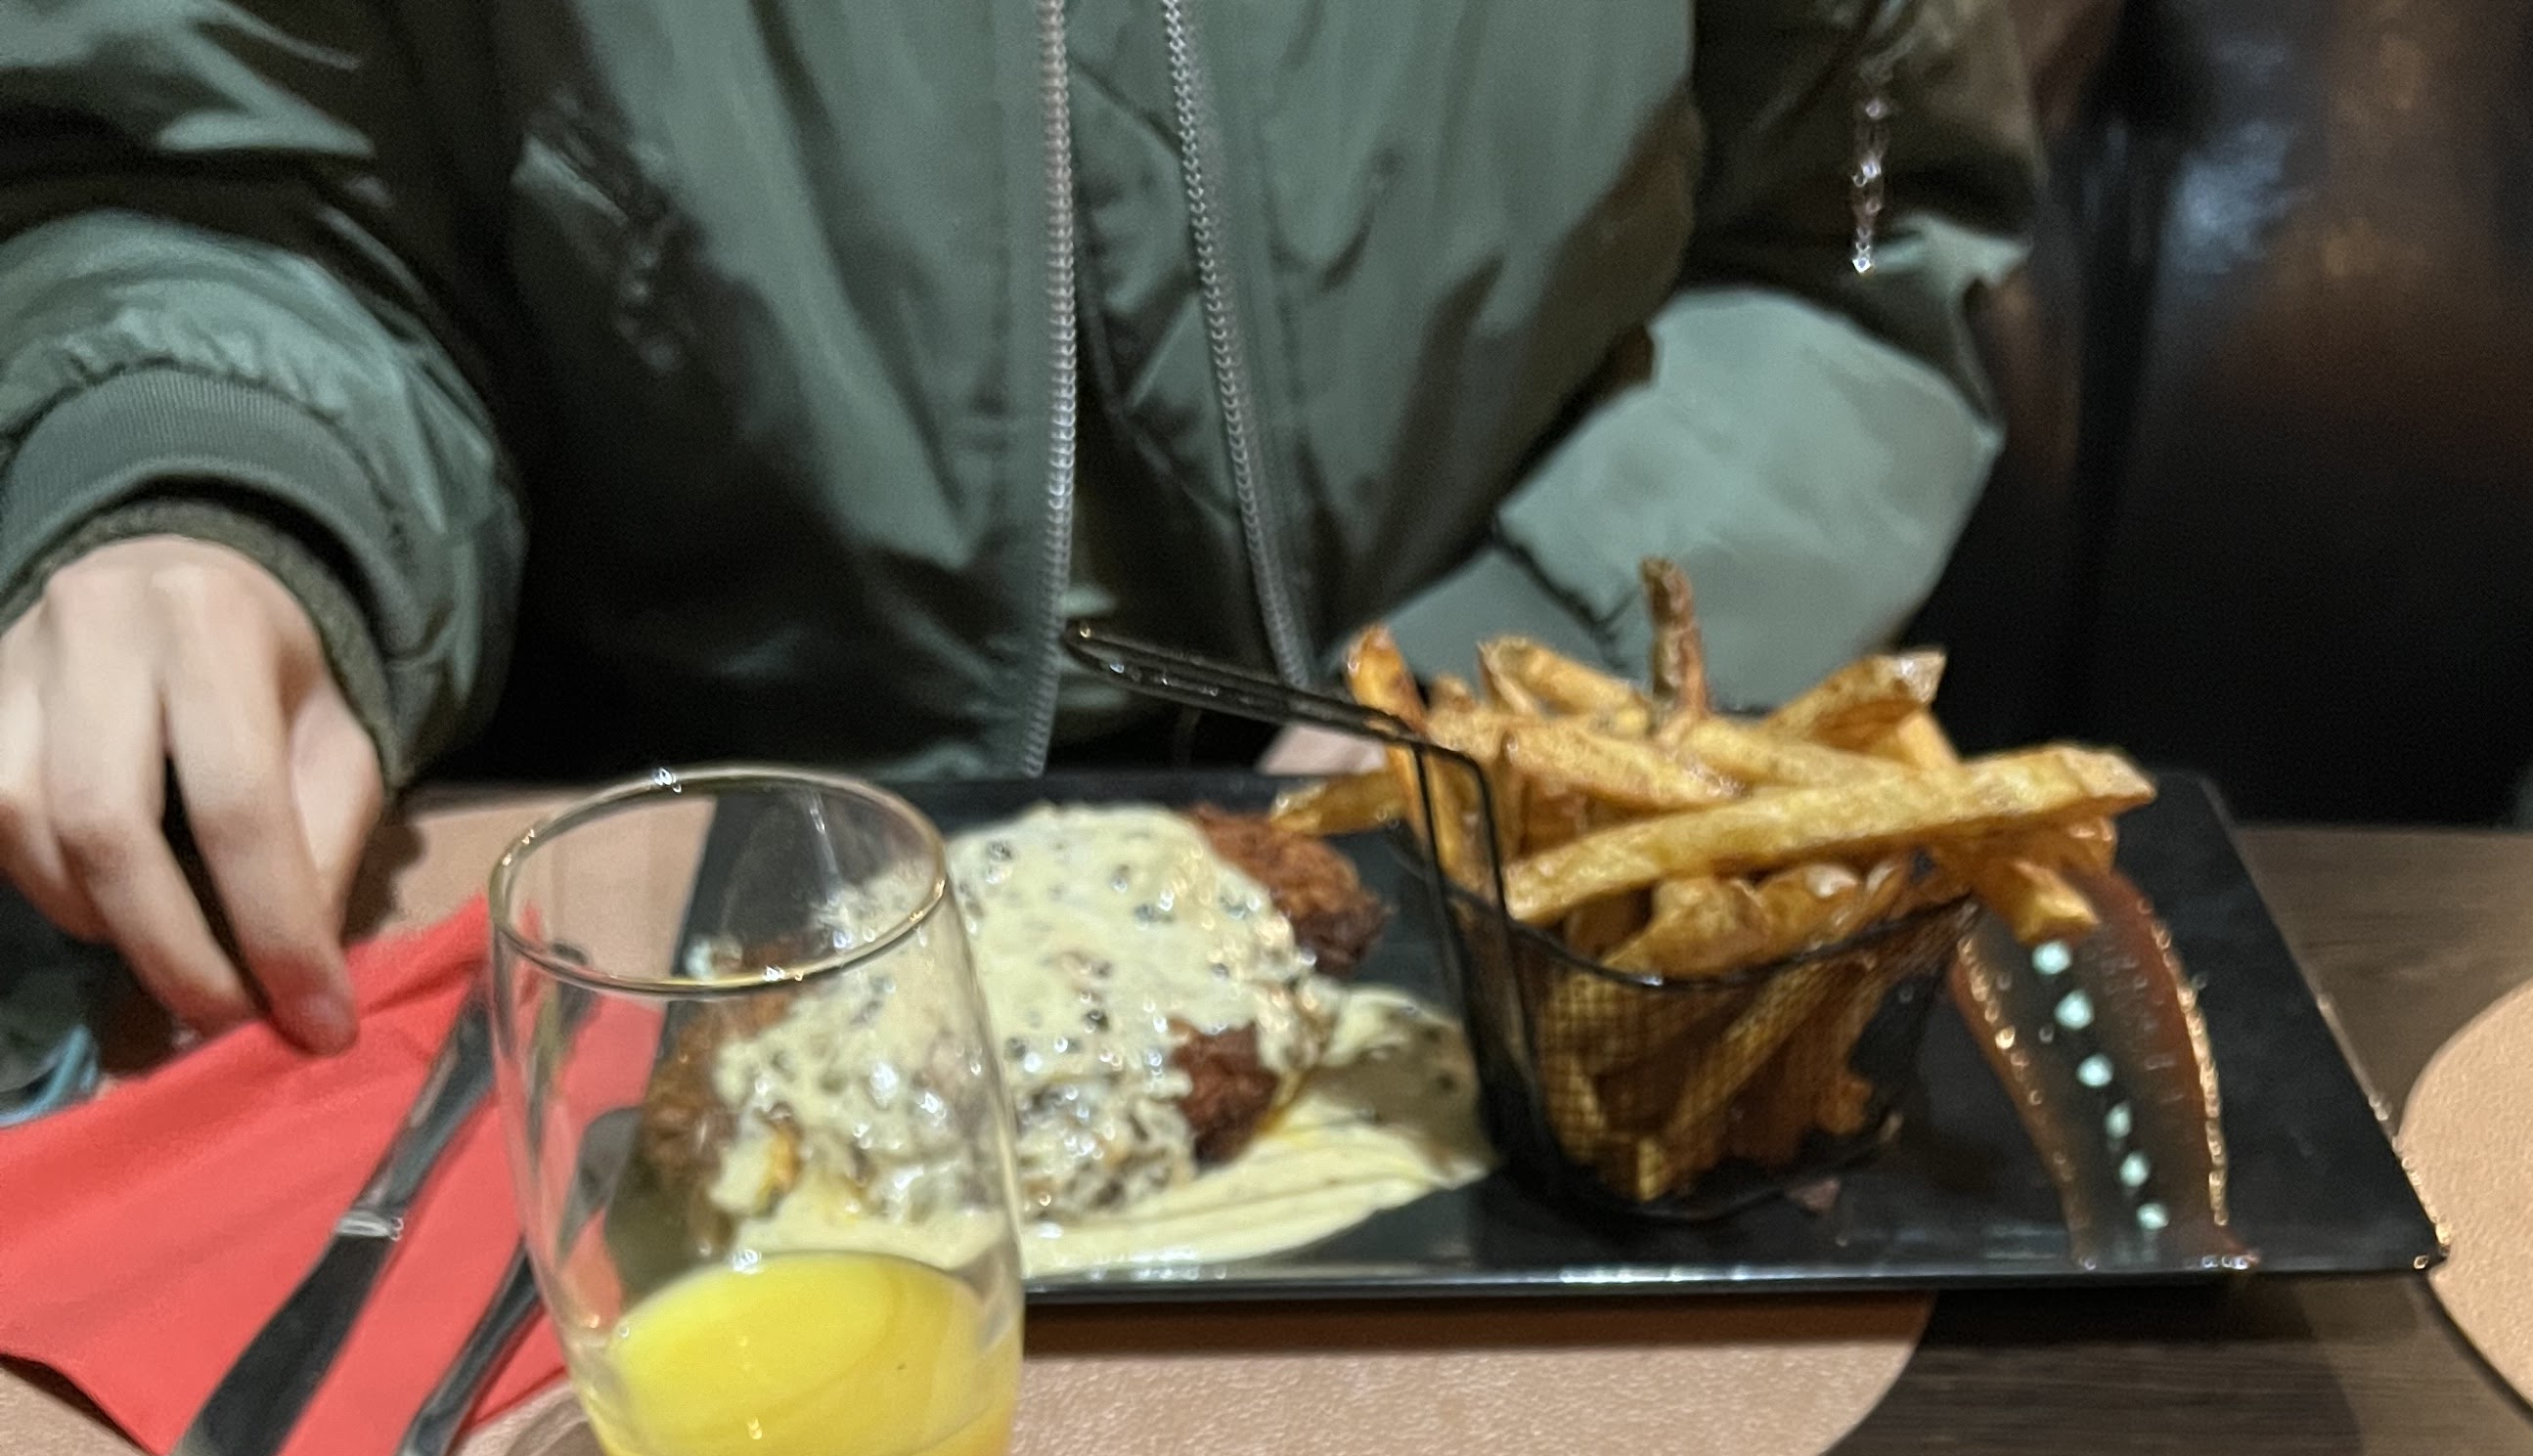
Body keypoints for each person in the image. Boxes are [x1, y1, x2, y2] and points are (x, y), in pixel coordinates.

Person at [0, 4, 2036, 1055]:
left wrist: (1527, 655)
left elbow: (1862, 239)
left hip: (1539, 912)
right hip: (661, 912)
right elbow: (236, 179)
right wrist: (216, 470)